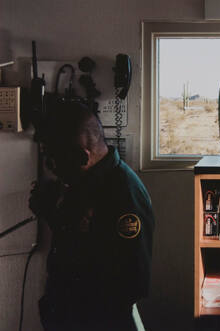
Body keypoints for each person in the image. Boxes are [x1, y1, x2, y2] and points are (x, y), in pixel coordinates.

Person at [29, 101, 154, 331]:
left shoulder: (124, 196)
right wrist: (51, 214)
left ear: (83, 157)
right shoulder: (85, 180)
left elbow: (132, 283)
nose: (51, 168)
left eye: (55, 161)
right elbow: (79, 239)